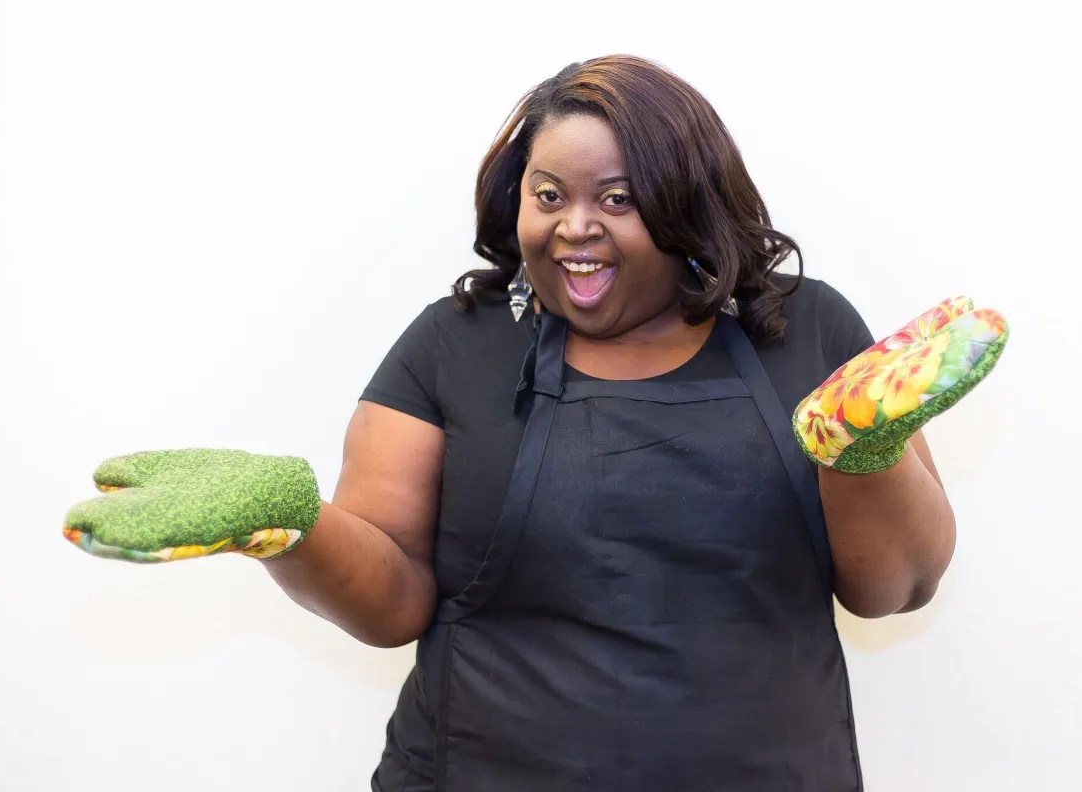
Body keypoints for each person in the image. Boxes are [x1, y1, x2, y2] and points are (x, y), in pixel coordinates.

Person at [63, 55, 1007, 791]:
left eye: (620, 199)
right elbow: (393, 602)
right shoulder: (455, 346)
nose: (574, 227)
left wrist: (865, 450)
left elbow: (899, 587)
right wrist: (290, 523)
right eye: (548, 194)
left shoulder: (803, 332)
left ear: (689, 205)